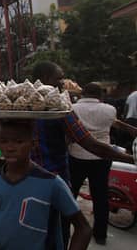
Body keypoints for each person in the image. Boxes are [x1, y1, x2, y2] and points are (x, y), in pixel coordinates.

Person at [31, 61, 133, 246]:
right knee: (68, 221)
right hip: (55, 180)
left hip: (27, 181)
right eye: (59, 78)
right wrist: (131, 158)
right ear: (45, 78)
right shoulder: (61, 109)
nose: (63, 82)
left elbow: (0, 146)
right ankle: (98, 235)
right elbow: (91, 145)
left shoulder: (18, 106)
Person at [0, 119, 91, 250]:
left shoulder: (51, 183)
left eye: (19, 142)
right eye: (4, 141)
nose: (10, 148)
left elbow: (83, 228)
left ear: (33, 144)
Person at [68, 83, 116, 245]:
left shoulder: (71, 108)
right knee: (101, 197)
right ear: (99, 95)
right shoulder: (110, 110)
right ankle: (100, 235)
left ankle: (65, 229)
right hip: (102, 158)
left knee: (70, 195)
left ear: (83, 93)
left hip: (76, 155)